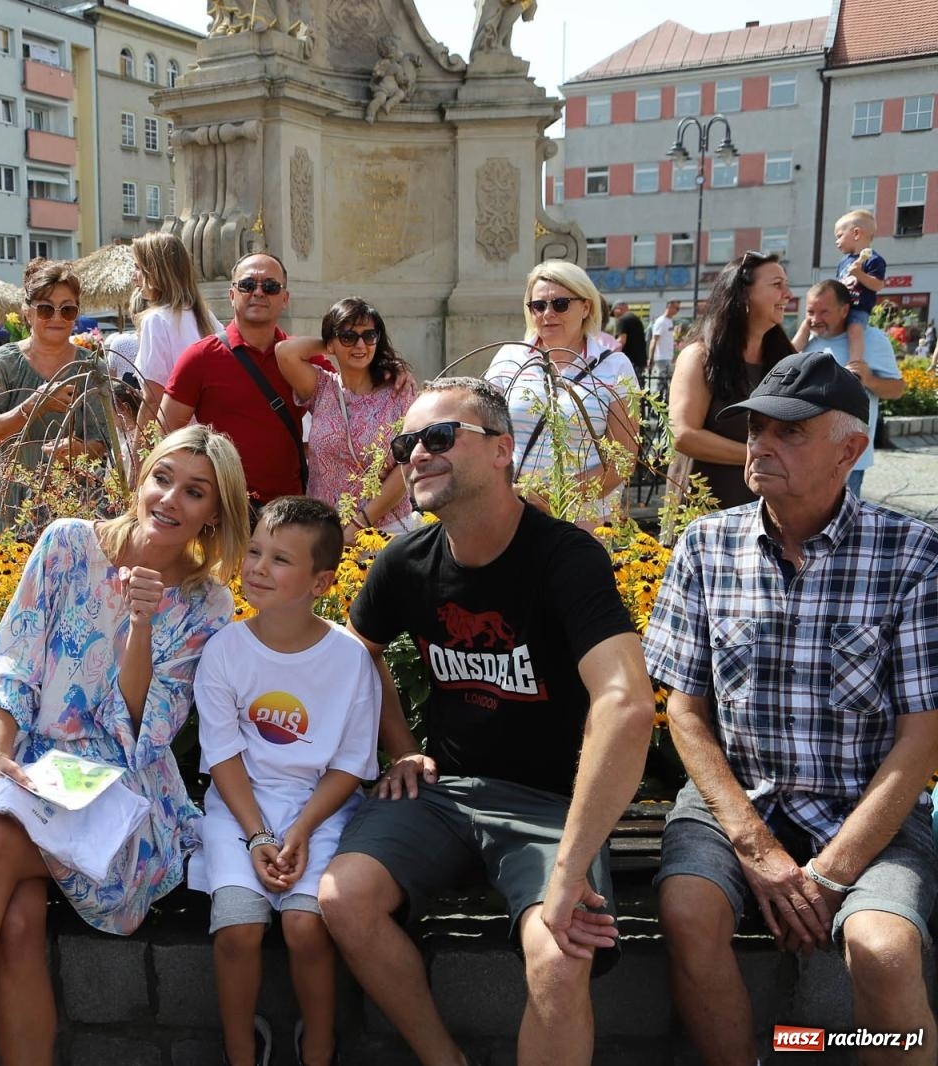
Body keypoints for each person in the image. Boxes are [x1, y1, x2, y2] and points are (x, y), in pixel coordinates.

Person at [316, 377, 657, 1066]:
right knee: (342, 898)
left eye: (440, 437)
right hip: (443, 796)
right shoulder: (406, 561)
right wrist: (402, 749)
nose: (416, 454)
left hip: (551, 807)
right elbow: (355, 653)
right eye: (406, 443)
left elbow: (626, 702)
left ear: (503, 450)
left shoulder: (566, 558)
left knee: (561, 958)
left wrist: (568, 871)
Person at [0, 426, 251, 1065]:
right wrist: (1, 754)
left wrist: (141, 625)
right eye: (163, 477)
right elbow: (13, 658)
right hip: (26, 764)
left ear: (215, 511)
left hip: (117, 793)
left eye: (194, 492)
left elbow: (147, 730)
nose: (170, 499)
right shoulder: (66, 544)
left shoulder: (207, 604)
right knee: (17, 921)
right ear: (142, 474)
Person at [642, 350, 938, 1066]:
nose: (761, 446)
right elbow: (685, 711)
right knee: (687, 913)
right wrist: (755, 846)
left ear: (852, 450)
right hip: (737, 803)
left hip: (867, 808)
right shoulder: (706, 546)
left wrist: (833, 871)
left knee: (885, 949)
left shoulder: (913, 554)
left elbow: (922, 738)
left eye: (790, 432)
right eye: (755, 430)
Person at [189, 496, 381, 1066]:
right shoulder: (225, 651)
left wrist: (298, 831)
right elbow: (222, 756)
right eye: (254, 551)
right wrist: (257, 836)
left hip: (318, 811)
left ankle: (318, 1045)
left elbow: (349, 765)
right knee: (237, 931)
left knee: (305, 925)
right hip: (237, 807)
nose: (257, 567)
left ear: (321, 582)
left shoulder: (349, 660)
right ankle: (240, 1050)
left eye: (279, 559)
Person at [483, 261, 638, 528]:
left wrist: (552, 497)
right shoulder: (509, 358)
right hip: (511, 514)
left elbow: (622, 461)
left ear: (586, 306)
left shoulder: (615, 367)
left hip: (582, 519)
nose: (547, 314)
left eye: (560, 304)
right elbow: (482, 433)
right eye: (538, 306)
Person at [0, 258, 117, 538]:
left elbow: (104, 444)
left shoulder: (91, 366)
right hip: (16, 503)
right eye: (46, 309)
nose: (57, 318)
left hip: (77, 505)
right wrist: (35, 404)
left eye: (68, 310)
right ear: (27, 312)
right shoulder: (2, 362)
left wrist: (77, 449)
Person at [161, 252, 303, 508]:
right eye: (248, 285)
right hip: (221, 508)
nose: (258, 292)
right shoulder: (200, 357)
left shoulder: (300, 358)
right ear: (232, 294)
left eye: (270, 286)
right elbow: (163, 434)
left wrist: (395, 373)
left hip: (286, 510)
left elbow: (353, 392)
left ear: (285, 298)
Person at [276, 298, 418, 542]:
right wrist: (330, 343)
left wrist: (358, 524)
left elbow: (409, 464)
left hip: (386, 532)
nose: (360, 344)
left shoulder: (398, 390)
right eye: (349, 336)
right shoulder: (322, 387)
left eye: (369, 336)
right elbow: (285, 352)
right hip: (323, 531)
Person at [668, 251, 797, 511]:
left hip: (767, 510)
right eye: (776, 284)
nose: (788, 293)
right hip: (705, 508)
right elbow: (683, 435)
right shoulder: (699, 356)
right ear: (743, 294)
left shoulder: (786, 359)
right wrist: (758, 456)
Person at [795, 280, 905, 496]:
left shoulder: (872, 339)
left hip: (847, 460)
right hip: (805, 454)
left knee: (839, 526)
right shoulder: (806, 338)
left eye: (824, 312)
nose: (815, 319)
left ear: (845, 310)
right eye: (810, 312)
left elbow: (898, 389)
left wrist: (870, 380)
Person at [131, 231, 220, 445]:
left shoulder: (156, 320)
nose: (134, 276)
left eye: (137, 267)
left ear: (152, 272)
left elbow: (154, 398)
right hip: (211, 442)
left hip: (177, 442)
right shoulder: (206, 318)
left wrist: (137, 458)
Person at [820, 209, 887, 372]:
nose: (837, 242)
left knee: (855, 330)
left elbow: (878, 285)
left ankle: (855, 364)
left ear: (856, 233)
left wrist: (859, 274)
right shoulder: (844, 262)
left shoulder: (874, 260)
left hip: (858, 307)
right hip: (840, 307)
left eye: (839, 236)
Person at [611, 301, 647, 382]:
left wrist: (609, 355)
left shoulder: (622, 320)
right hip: (639, 360)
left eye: (614, 313)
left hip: (629, 360)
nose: (615, 316)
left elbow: (621, 341)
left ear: (618, 309)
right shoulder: (635, 318)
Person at [648, 299, 681, 390]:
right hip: (662, 357)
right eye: (676, 308)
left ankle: (664, 400)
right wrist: (651, 358)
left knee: (667, 382)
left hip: (667, 357)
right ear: (669, 306)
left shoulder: (669, 321)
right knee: (662, 382)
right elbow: (654, 340)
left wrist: (673, 355)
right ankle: (657, 401)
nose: (677, 311)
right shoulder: (661, 321)